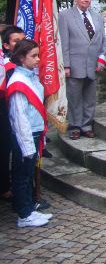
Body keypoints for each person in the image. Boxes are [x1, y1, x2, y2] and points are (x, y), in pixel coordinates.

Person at [7, 39, 52, 227]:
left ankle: (29, 210)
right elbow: (19, 118)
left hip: (34, 132)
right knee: (22, 176)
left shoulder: (30, 76)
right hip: (25, 135)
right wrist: (26, 145)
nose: (38, 59)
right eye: (33, 56)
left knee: (27, 174)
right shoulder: (18, 82)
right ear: (21, 57)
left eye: (38, 55)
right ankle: (24, 214)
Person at [59, 0, 106, 139]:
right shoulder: (65, 16)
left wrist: (102, 59)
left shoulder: (97, 17)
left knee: (90, 98)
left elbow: (102, 41)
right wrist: (65, 65)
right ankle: (75, 126)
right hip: (74, 64)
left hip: (92, 65)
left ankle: (87, 125)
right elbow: (63, 42)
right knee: (74, 98)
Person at [0, 25, 25, 202]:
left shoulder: (26, 63)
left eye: (22, 40)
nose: (20, 44)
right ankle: (5, 188)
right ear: (6, 45)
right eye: (16, 41)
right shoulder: (5, 66)